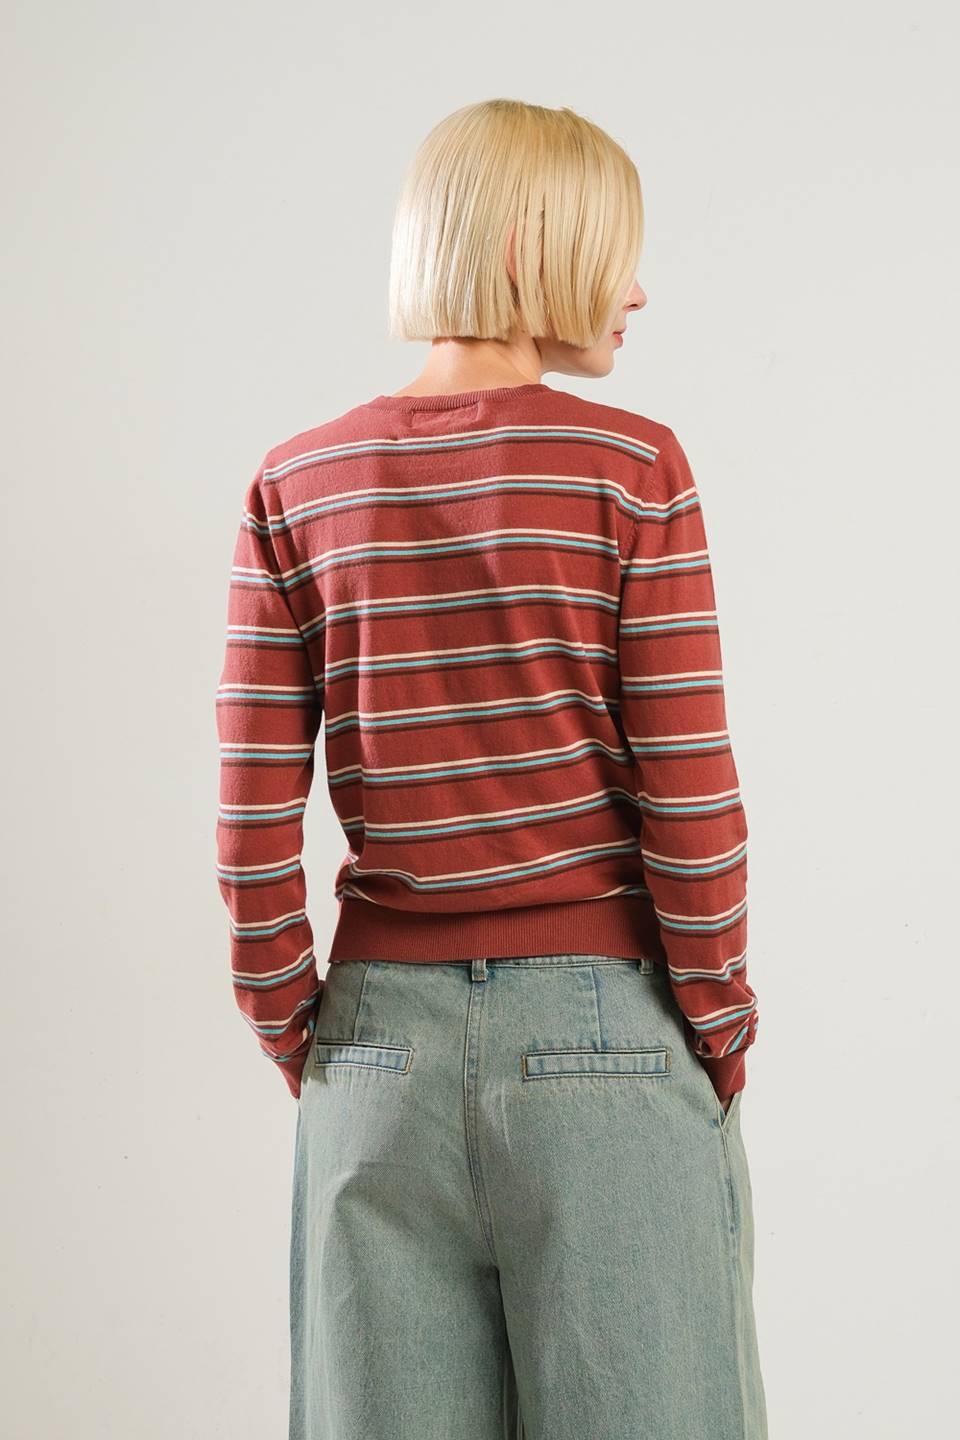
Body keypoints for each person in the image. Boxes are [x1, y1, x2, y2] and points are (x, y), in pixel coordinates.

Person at [216, 97, 768, 1440]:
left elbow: (250, 825)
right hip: (607, 1037)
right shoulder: (631, 468)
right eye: (614, 251)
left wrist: (307, 1031)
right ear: (533, 246)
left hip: (374, 1059)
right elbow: (691, 795)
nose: (636, 289)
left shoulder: (296, 482)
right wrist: (716, 1022)